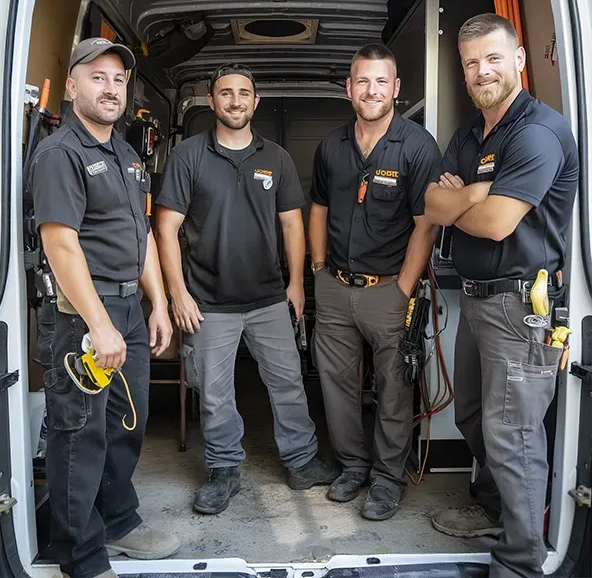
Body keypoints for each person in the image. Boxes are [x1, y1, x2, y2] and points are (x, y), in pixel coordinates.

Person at [424, 13, 578, 578]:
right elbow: (432, 205)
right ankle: (497, 513)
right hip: (478, 301)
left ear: (518, 59)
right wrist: (474, 194)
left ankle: (518, 561)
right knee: (471, 415)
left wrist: (466, 197)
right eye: (470, 62)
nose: (481, 70)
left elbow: (494, 224)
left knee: (512, 437)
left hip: (523, 307)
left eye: (492, 58)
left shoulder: (536, 132)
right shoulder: (470, 134)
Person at [155, 62, 340, 516]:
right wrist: (177, 294)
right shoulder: (189, 156)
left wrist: (296, 284)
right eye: (225, 93)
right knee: (215, 393)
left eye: (243, 93)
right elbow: (166, 227)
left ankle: (301, 461)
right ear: (212, 101)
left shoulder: (275, 157)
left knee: (289, 383)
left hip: (267, 298)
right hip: (207, 302)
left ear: (255, 102)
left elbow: (292, 224)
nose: (235, 100)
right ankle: (223, 470)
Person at [28, 37, 181, 578]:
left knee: (125, 423)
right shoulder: (59, 152)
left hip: (128, 311)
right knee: (79, 435)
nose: (111, 88)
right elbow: (61, 243)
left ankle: (117, 520)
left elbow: (139, 237)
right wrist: (99, 324)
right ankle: (82, 555)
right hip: (81, 317)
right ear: (71, 87)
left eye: (118, 79)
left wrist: (157, 304)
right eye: (97, 77)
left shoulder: (125, 153)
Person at [308, 43, 441, 520]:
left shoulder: (418, 146)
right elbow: (318, 208)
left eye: (381, 81)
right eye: (362, 81)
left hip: (389, 289)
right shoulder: (331, 146)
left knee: (393, 386)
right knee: (336, 384)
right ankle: (352, 467)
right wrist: (318, 268)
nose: (371, 90)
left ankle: (387, 479)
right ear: (349, 88)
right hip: (335, 287)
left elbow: (426, 222)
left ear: (396, 88)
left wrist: (404, 287)